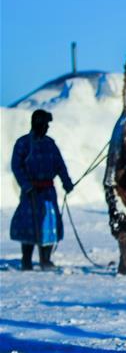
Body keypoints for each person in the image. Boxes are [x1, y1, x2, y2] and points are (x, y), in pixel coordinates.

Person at [9, 109, 74, 271]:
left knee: (48, 225)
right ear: (38, 124)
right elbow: (16, 167)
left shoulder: (50, 144)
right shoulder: (23, 143)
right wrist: (26, 185)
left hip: (48, 193)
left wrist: (67, 182)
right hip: (31, 193)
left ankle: (45, 259)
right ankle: (27, 260)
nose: (47, 128)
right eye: (45, 124)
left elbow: (60, 165)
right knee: (29, 226)